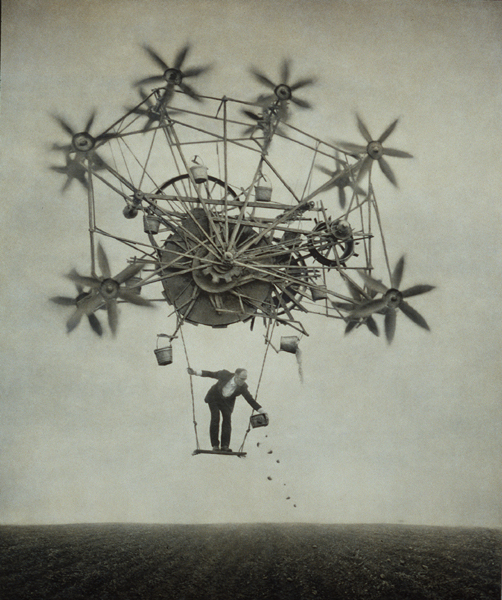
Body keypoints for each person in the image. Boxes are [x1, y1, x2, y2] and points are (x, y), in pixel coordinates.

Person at [187, 367, 267, 452]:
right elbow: (211, 374)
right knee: (215, 417)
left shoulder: (243, 387)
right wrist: (195, 372)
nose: (243, 381)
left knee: (227, 420)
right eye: (241, 379)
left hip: (226, 403)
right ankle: (215, 445)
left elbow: (250, 400)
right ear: (236, 375)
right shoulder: (224, 374)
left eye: (245, 379)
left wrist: (262, 411)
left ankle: (225, 446)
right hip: (214, 397)